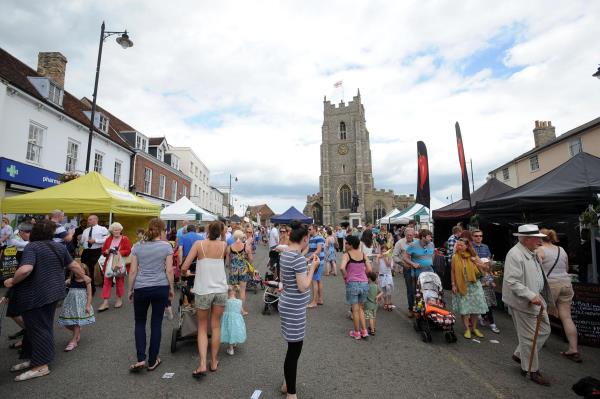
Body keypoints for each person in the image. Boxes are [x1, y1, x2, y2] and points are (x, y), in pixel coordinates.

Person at [3, 219, 89, 381]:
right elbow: (75, 266)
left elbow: (26, 269)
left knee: (38, 328)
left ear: (35, 232)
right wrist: (84, 277)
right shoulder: (58, 247)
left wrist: (12, 281)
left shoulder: (32, 247)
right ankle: (34, 359)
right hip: (54, 294)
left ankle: (41, 366)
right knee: (38, 326)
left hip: (37, 296)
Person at [503, 224, 551, 386]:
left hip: (535, 299)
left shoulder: (530, 252)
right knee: (530, 338)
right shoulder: (515, 254)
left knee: (544, 330)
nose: (540, 241)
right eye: (537, 238)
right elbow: (511, 281)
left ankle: (520, 354)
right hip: (525, 302)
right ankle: (531, 370)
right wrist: (530, 296)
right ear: (527, 239)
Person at [181, 221, 229, 378]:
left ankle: (202, 363)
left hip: (204, 290)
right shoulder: (224, 246)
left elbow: (184, 266)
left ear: (207, 230)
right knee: (215, 326)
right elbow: (225, 264)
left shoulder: (198, 244)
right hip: (221, 289)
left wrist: (187, 272)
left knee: (202, 327)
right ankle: (214, 361)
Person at [278, 221, 320, 398]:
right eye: (307, 240)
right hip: (294, 307)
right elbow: (303, 287)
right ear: (304, 239)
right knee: (294, 351)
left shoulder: (286, 253)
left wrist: (306, 263)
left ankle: (287, 383)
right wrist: (313, 268)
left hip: (287, 303)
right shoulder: (297, 258)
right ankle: (291, 394)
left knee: (292, 348)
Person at [127, 218, 174, 372]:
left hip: (141, 288)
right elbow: (169, 270)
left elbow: (133, 271)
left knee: (139, 322)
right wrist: (171, 288)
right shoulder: (167, 246)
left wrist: (130, 289)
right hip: (160, 287)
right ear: (162, 230)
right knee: (156, 323)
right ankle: (153, 360)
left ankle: (141, 358)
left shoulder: (137, 246)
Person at [537, 228, 581, 363]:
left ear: (540, 238)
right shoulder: (561, 250)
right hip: (566, 284)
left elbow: (536, 269)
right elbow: (566, 268)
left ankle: (539, 340)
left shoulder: (540, 250)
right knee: (566, 317)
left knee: (540, 313)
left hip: (550, 285)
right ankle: (573, 349)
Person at [451, 234, 489, 339]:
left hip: (474, 284)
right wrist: (453, 284)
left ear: (467, 246)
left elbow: (485, 268)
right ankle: (467, 329)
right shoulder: (455, 257)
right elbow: (453, 272)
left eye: (461, 245)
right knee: (465, 308)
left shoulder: (473, 255)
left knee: (475, 308)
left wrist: (476, 261)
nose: (459, 247)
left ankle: (474, 328)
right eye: (458, 245)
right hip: (461, 284)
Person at [340, 235, 372, 339]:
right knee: (361, 308)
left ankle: (357, 332)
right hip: (364, 283)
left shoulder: (347, 255)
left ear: (351, 245)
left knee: (355, 309)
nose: (345, 245)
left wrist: (346, 277)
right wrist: (364, 276)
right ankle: (364, 331)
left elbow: (341, 268)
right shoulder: (363, 254)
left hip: (352, 283)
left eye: (346, 243)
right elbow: (370, 270)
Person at [58, 263, 95, 351]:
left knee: (77, 323)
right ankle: (76, 332)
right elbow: (62, 285)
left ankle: (73, 341)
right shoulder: (70, 280)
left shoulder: (87, 282)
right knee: (66, 323)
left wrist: (88, 305)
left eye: (81, 271)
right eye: (76, 271)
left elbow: (89, 295)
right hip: (70, 305)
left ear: (85, 272)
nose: (78, 273)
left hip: (80, 306)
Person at [98, 222, 132, 312]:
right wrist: (106, 251)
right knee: (106, 282)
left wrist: (119, 252)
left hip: (119, 263)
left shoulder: (125, 239)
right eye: (114, 230)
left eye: (118, 230)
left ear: (121, 230)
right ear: (111, 231)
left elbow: (128, 251)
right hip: (109, 263)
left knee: (119, 282)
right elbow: (103, 251)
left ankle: (119, 299)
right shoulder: (108, 239)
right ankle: (105, 302)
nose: (116, 231)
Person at [472, 229, 500, 334]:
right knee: (479, 301)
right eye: (476, 236)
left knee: (487, 302)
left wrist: (490, 274)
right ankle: (483, 318)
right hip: (475, 277)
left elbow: (488, 263)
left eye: (480, 236)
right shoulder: (470, 248)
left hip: (485, 277)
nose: (478, 237)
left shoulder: (485, 247)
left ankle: (488, 320)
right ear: (473, 237)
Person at [79, 215, 108, 294]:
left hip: (96, 251)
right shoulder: (86, 230)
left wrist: (95, 240)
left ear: (96, 220)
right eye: (88, 220)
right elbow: (82, 242)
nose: (88, 221)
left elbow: (107, 239)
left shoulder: (102, 229)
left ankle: (92, 289)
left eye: (90, 219)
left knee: (90, 269)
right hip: (86, 251)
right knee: (83, 269)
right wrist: (80, 239)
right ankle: (85, 287)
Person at [228, 229, 253, 315]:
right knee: (242, 290)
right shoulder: (246, 246)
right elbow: (251, 260)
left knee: (233, 290)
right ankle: (242, 310)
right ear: (242, 236)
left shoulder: (230, 247)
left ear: (234, 237)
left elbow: (228, 261)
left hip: (233, 270)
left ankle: (233, 310)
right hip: (243, 270)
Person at [393, 227, 416, 317]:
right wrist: (403, 264)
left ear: (414, 235)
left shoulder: (417, 242)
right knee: (410, 290)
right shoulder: (400, 243)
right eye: (408, 235)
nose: (410, 236)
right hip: (408, 269)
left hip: (418, 269)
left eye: (411, 235)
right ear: (405, 235)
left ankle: (419, 309)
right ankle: (411, 309)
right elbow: (394, 256)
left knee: (418, 290)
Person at [221, 285, 247, 356]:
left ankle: (231, 349)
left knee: (229, 331)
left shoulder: (226, 301)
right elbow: (242, 311)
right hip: (236, 320)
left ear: (227, 293)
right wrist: (243, 313)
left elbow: (222, 310)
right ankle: (234, 342)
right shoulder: (239, 301)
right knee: (235, 330)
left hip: (228, 320)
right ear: (236, 293)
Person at [304, 224, 325, 308]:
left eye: (310, 229)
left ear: (315, 229)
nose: (308, 231)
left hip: (317, 262)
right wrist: (300, 255)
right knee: (318, 280)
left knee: (314, 281)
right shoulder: (312, 238)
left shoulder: (319, 237)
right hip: (315, 261)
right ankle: (320, 299)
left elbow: (319, 250)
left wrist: (309, 258)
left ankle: (314, 302)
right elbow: (307, 249)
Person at [365, 271, 383, 336]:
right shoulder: (376, 286)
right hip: (375, 304)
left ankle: (372, 330)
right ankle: (373, 327)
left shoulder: (367, 286)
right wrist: (377, 297)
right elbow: (381, 292)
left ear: (369, 278)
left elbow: (364, 294)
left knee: (370, 317)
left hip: (369, 304)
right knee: (374, 316)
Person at [377, 242, 394, 311]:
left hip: (388, 275)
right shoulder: (379, 257)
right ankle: (385, 303)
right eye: (382, 251)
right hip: (381, 275)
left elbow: (389, 265)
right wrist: (378, 258)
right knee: (383, 290)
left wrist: (385, 258)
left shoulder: (389, 257)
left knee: (389, 288)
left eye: (385, 251)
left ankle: (389, 302)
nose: (384, 252)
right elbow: (377, 265)